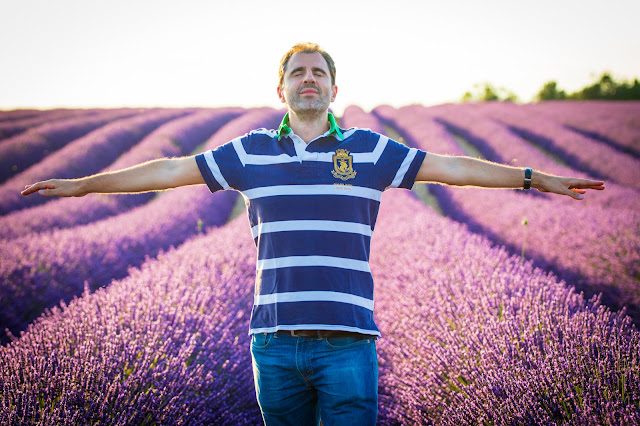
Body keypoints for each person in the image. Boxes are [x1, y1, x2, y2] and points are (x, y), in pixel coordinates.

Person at [21, 42, 605, 425]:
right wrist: (82, 186)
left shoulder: (368, 149)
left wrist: (536, 178)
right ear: (281, 90)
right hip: (273, 344)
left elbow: (451, 167)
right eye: (297, 73)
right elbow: (170, 171)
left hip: (349, 342)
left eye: (318, 73)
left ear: (332, 90)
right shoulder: (248, 153)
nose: (308, 81)